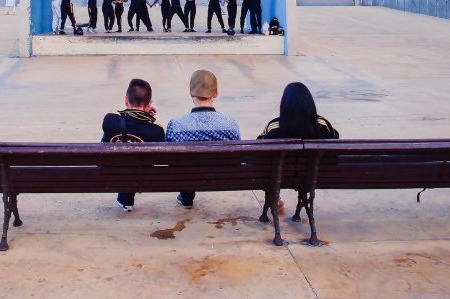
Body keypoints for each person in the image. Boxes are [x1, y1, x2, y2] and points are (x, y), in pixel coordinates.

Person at [258, 82, 339, 221]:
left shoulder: (274, 128)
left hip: (280, 177)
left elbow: (258, 154)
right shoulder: (324, 126)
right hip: (314, 177)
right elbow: (335, 147)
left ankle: (274, 198)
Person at [165, 70, 240, 208]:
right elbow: (237, 156)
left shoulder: (176, 124)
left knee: (185, 164)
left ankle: (186, 197)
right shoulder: (230, 124)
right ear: (216, 93)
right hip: (223, 177)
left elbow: (168, 159)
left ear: (191, 94)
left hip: (186, 176)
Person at [101, 79, 165, 211]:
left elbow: (125, 120)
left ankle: (125, 199)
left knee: (111, 136)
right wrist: (146, 117)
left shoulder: (109, 120)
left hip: (109, 172)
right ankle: (127, 198)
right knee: (135, 160)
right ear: (149, 104)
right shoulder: (156, 131)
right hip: (141, 176)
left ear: (126, 101)